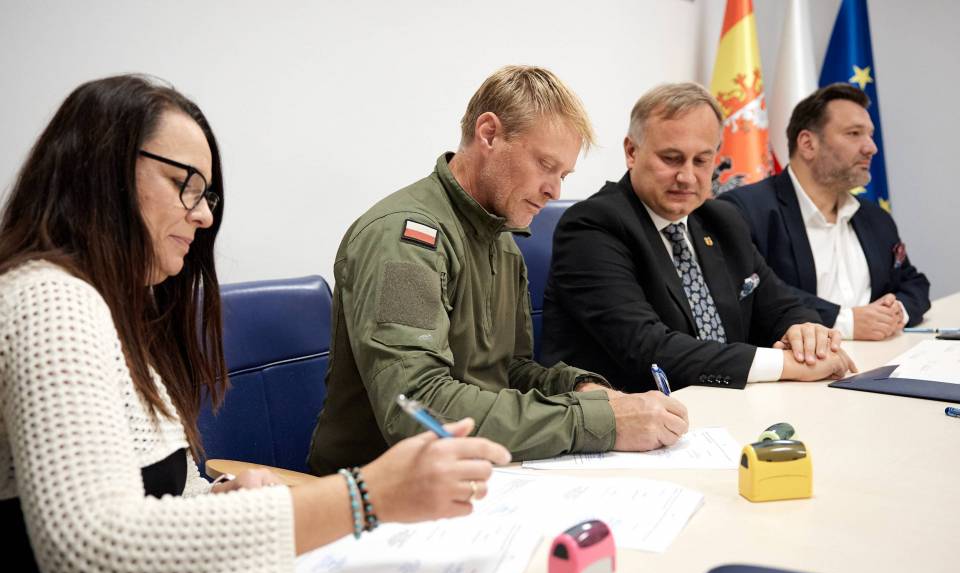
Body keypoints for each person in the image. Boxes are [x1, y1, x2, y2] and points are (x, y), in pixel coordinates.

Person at [0, 74, 510, 573]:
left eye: (207, 194)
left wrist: (220, 496)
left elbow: (160, 490)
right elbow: (97, 554)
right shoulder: (49, 299)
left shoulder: (118, 311)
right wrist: (367, 495)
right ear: (101, 170)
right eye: (184, 184)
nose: (204, 215)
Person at [308, 66, 689, 476]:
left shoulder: (502, 241)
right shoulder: (403, 240)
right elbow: (419, 408)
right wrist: (595, 421)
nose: (555, 190)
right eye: (545, 165)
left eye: (562, 175)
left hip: (470, 476)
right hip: (374, 489)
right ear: (488, 134)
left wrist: (581, 388)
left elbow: (507, 371)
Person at [542, 83, 856, 393]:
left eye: (702, 161)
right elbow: (649, 349)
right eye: (671, 158)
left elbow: (781, 304)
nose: (687, 177)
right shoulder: (593, 225)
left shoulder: (722, 220)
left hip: (728, 405)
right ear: (632, 152)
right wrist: (784, 365)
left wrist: (806, 334)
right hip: (635, 412)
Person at [719, 83, 930, 340]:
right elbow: (754, 293)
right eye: (854, 133)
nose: (871, 148)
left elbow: (913, 282)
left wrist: (896, 312)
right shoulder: (744, 211)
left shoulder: (876, 218)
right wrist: (847, 322)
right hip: (799, 362)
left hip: (885, 354)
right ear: (808, 144)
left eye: (870, 135)